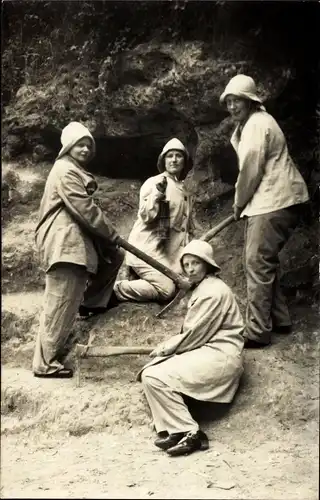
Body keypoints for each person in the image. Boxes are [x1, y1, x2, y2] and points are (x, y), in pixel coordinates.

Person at [220, 74, 310, 348]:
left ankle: (258, 331)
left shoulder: (257, 125)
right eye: (229, 102)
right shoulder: (252, 124)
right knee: (263, 261)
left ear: (251, 101)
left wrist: (238, 203)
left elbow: (251, 170)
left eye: (238, 101)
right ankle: (280, 319)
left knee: (256, 262)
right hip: (272, 201)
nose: (233, 107)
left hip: (274, 200)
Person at [33, 121, 124, 378]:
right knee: (60, 303)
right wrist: (113, 234)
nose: (85, 149)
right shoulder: (64, 170)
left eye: (88, 145)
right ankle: (45, 363)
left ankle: (91, 303)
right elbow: (85, 210)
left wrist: (111, 242)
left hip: (75, 242)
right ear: (68, 146)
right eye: (79, 144)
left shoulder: (72, 169)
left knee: (115, 257)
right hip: (64, 244)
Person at [138, 240, 244, 457]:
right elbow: (195, 334)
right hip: (206, 350)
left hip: (220, 356)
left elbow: (196, 334)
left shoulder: (213, 292)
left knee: (155, 375)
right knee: (150, 375)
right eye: (186, 265)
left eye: (196, 263)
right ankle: (178, 430)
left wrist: (167, 348)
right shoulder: (205, 287)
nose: (190, 269)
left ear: (207, 264)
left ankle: (192, 433)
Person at [114, 138, 196, 303]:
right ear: (163, 160)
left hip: (169, 254)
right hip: (146, 250)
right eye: (169, 156)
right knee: (167, 290)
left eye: (178, 156)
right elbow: (147, 216)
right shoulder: (154, 182)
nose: (174, 160)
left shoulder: (185, 192)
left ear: (184, 161)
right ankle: (115, 290)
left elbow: (187, 229)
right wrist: (158, 195)